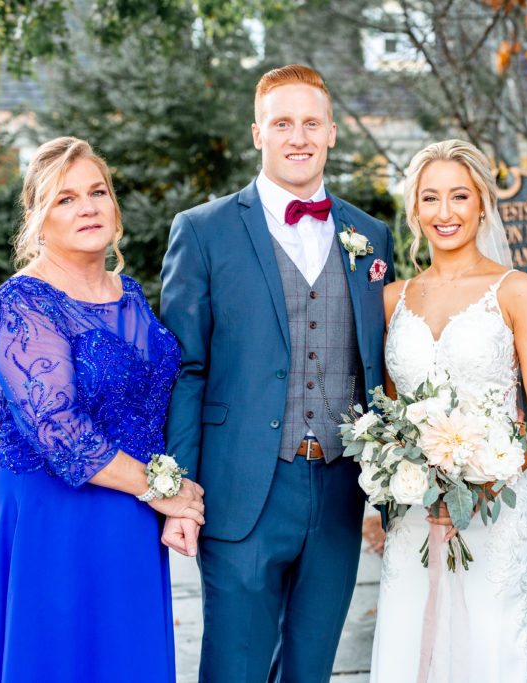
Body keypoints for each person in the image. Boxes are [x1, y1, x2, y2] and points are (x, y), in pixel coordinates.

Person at [160, 64, 394, 683]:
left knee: (312, 668)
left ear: (332, 133)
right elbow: (185, 370)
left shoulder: (371, 236)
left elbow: (379, 364)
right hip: (240, 489)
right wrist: (178, 491)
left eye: (312, 123)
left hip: (340, 490)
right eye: (283, 123)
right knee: (234, 668)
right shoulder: (202, 231)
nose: (299, 137)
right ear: (258, 133)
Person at [0, 137, 205, 682]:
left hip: (130, 518)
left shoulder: (130, 294)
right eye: (66, 198)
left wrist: (172, 495)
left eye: (98, 192)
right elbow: (59, 431)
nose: (88, 208)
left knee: (126, 659)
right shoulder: (22, 303)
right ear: (38, 219)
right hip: (55, 520)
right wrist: (166, 491)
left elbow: (156, 403)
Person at [370, 139, 527, 682]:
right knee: (412, 641)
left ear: (483, 204)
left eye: (459, 195)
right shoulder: (392, 299)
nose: (445, 212)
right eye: (430, 198)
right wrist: (406, 474)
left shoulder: (517, 291)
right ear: (414, 210)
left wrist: (479, 486)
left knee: (490, 646)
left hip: (497, 506)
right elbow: (392, 414)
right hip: (415, 508)